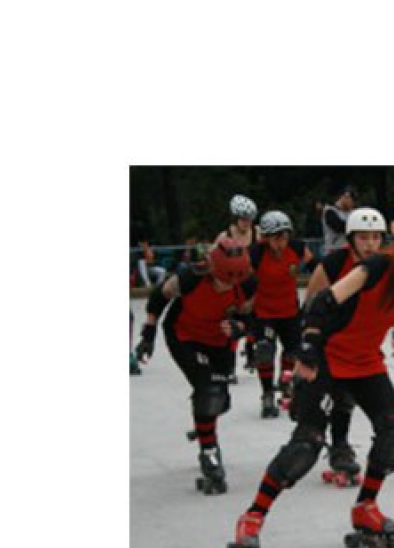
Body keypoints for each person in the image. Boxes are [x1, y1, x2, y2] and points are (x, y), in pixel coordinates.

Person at [226, 216, 394, 548]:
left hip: (366, 364)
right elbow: (323, 301)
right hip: (330, 360)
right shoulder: (378, 266)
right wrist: (308, 347)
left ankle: (365, 507)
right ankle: (252, 516)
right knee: (306, 446)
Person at [134, 237, 256, 495]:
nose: (228, 288)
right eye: (225, 280)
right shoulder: (190, 277)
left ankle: (203, 423)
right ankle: (209, 452)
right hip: (184, 336)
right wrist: (148, 333)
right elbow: (158, 297)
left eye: (234, 281)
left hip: (219, 341)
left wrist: (239, 327)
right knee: (208, 394)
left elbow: (251, 318)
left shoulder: (245, 284)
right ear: (213, 270)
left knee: (220, 400)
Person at [299, 207, 387, 486]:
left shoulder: (385, 265)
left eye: (375, 238)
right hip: (326, 341)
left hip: (358, 345)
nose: (371, 244)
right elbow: (311, 302)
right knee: (316, 405)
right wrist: (306, 345)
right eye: (363, 238)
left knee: (345, 396)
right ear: (351, 240)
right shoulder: (335, 263)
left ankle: (340, 447)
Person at [247, 210, 315, 419]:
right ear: (266, 238)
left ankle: (286, 386)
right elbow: (243, 282)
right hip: (264, 311)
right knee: (265, 351)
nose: (281, 243)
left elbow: (319, 269)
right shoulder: (256, 254)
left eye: (285, 237)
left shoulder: (297, 248)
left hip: (290, 310)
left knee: (293, 353)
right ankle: (267, 394)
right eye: (276, 238)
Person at [217, 194, 260, 380]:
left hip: (253, 284)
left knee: (254, 322)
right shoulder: (224, 236)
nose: (247, 223)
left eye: (249, 219)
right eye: (243, 219)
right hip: (233, 286)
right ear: (236, 218)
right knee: (232, 326)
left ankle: (252, 352)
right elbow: (214, 260)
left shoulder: (258, 233)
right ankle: (229, 367)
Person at [320, 185, 356, 254]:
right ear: (345, 197)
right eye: (352, 201)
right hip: (334, 249)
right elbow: (338, 226)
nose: (352, 204)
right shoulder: (330, 211)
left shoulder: (352, 212)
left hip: (349, 249)